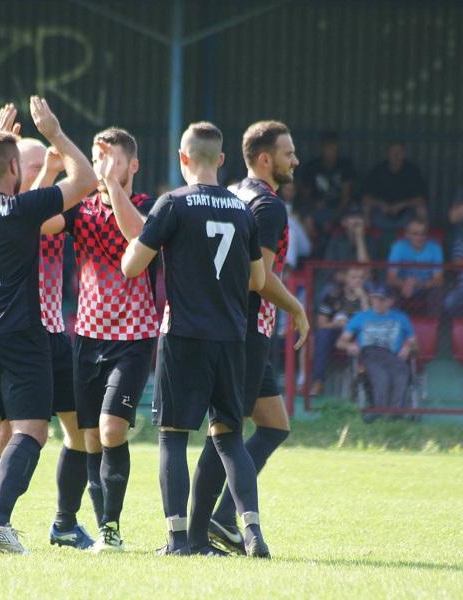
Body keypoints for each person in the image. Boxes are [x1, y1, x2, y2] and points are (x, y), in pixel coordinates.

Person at [0, 98, 97, 555]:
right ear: (13, 166)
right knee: (32, 431)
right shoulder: (21, 209)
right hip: (19, 334)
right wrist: (55, 133)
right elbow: (86, 181)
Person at [121, 121, 270, 558]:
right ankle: (253, 532)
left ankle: (178, 540)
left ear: (183, 158)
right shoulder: (242, 210)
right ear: (221, 159)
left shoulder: (173, 204)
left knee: (172, 436)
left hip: (184, 334)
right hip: (231, 338)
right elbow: (259, 280)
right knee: (229, 438)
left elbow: (132, 266)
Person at [41, 127, 157, 553]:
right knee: (90, 438)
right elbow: (38, 222)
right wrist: (50, 175)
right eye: (96, 159)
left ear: (133, 166)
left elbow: (137, 236)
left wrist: (109, 184)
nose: (102, 166)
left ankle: (111, 528)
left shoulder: (150, 207)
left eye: (112, 160)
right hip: (88, 339)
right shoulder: (80, 209)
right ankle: (102, 528)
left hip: (134, 338)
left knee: (111, 430)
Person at [205, 120, 310, 555]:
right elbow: (259, 279)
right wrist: (297, 307)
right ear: (265, 159)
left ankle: (219, 517)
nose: (295, 161)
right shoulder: (269, 206)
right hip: (247, 330)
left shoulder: (232, 193)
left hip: (232, 325)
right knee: (226, 430)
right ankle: (202, 525)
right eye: (288, 153)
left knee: (274, 425)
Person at [337, 283, 416, 412]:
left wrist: (408, 346)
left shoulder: (401, 318)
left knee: (402, 372)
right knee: (382, 376)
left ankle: (396, 414)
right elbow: (340, 342)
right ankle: (380, 412)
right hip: (369, 354)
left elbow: (414, 343)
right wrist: (349, 345)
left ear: (390, 301)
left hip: (392, 356)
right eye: (374, 298)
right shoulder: (361, 317)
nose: (377, 302)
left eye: (381, 299)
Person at [310, 267, 369, 396]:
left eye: (361, 278)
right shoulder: (333, 295)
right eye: (353, 277)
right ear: (346, 279)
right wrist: (335, 324)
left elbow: (370, 322)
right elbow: (321, 323)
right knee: (322, 336)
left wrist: (363, 298)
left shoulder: (368, 297)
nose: (357, 281)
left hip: (357, 333)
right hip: (335, 331)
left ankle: (365, 383)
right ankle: (318, 382)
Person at [359, 142, 427, 232]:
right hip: (380, 216)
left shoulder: (412, 171)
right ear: (387, 154)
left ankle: (421, 236)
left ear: (404, 154)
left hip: (406, 217)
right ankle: (365, 237)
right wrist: (381, 204)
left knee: (421, 208)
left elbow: (421, 199)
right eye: (393, 152)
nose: (396, 155)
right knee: (366, 206)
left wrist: (402, 205)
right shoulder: (378, 170)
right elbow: (365, 198)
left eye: (399, 152)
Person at [298, 130, 355, 233]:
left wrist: (333, 219)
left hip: (339, 210)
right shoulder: (312, 167)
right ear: (322, 148)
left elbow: (346, 198)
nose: (330, 152)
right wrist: (314, 204)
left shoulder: (345, 166)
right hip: (317, 210)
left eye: (333, 148)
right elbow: (305, 195)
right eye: (328, 148)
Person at [386, 218, 444, 316]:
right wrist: (405, 285)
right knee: (391, 289)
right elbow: (391, 278)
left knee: (437, 291)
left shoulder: (435, 248)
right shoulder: (398, 247)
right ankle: (393, 321)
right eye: (415, 233)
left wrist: (418, 284)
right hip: (402, 287)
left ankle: (433, 323)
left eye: (423, 233)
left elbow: (438, 279)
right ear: (407, 234)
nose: (419, 237)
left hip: (425, 288)